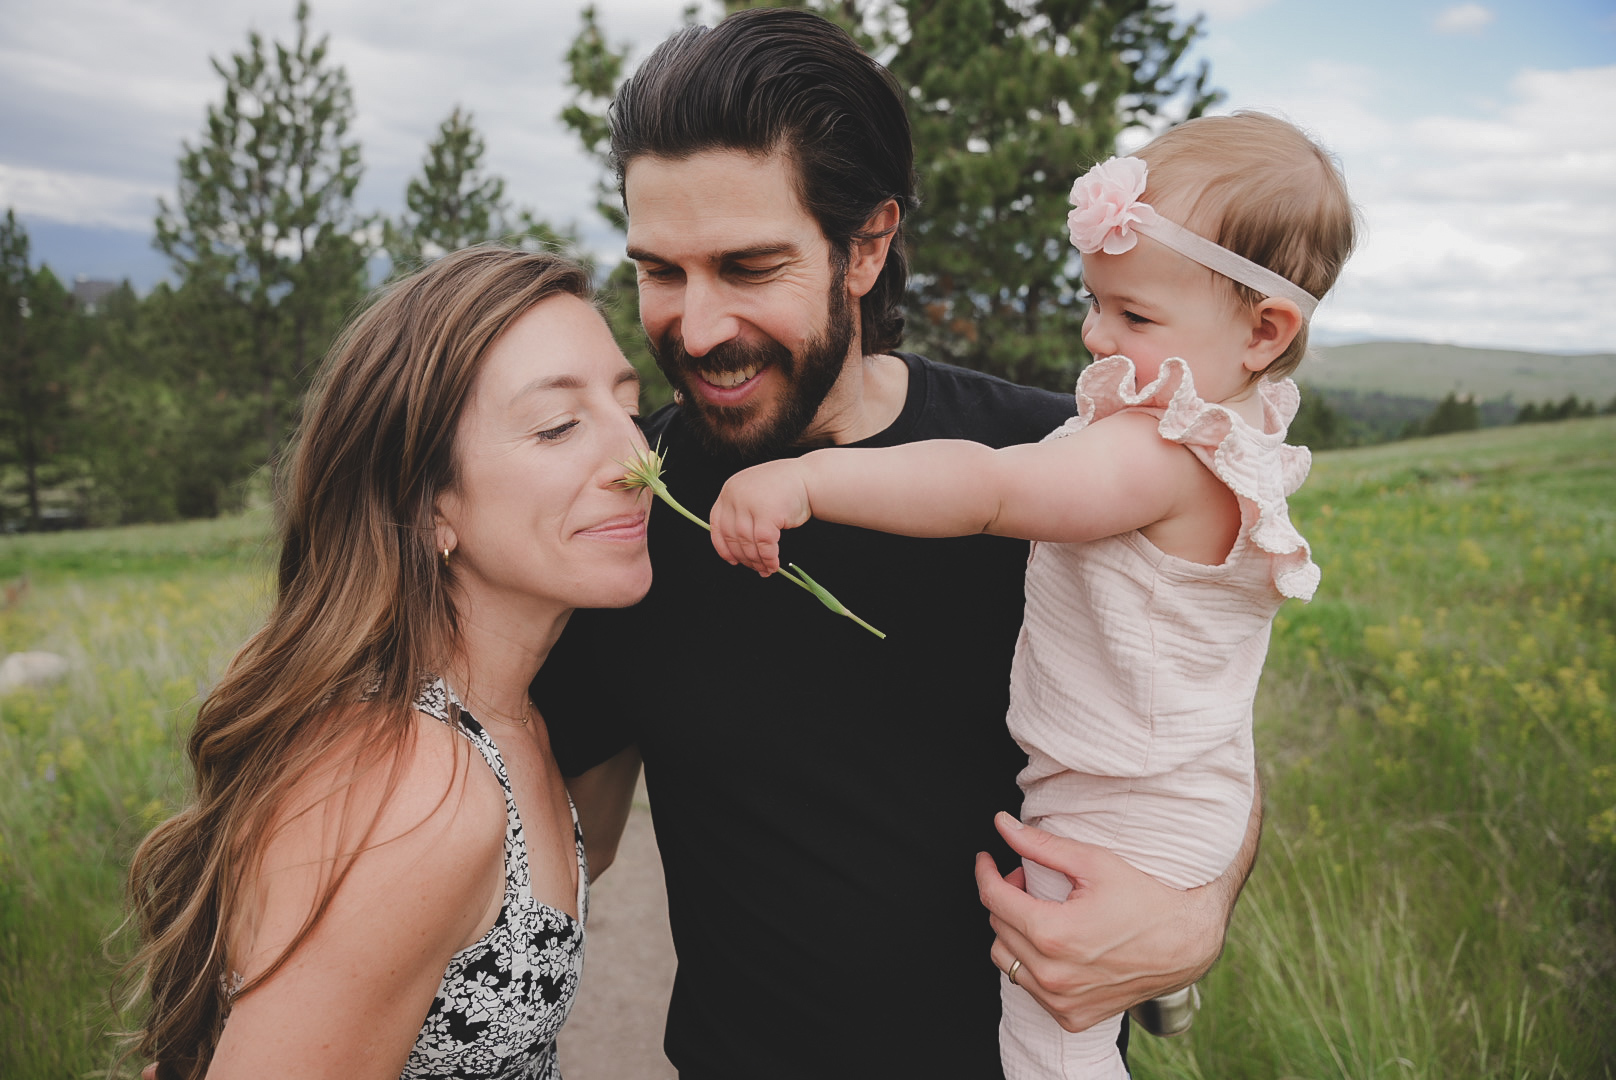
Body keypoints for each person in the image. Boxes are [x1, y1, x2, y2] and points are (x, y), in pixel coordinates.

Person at [532, 10, 1260, 1077]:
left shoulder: (1055, 465)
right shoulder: (624, 509)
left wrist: (1193, 917)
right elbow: (563, 844)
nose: (694, 327)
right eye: (658, 271)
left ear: (865, 244)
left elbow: (1192, 733)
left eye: (747, 266)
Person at [708, 112, 1357, 1077]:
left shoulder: (1161, 451)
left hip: (1120, 806)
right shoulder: (1227, 434)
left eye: (1134, 317)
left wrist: (808, 483)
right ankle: (1156, 982)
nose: (1096, 335)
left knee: (1048, 1031)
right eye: (1094, 302)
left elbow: (994, 488)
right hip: (1163, 787)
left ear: (1265, 331)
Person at [123, 247, 652, 1079]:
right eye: (557, 426)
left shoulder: (518, 714)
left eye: (633, 407)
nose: (636, 459)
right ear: (430, 504)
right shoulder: (414, 789)